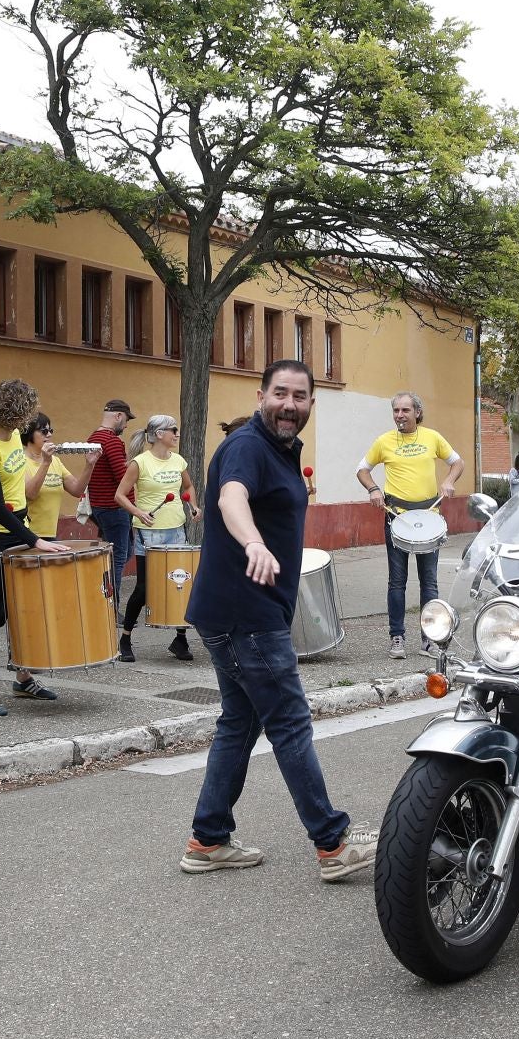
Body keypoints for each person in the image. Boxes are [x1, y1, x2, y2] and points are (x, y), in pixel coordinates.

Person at [181, 359, 379, 882]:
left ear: (312, 403)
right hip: (245, 614)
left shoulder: (280, 450)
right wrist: (253, 542)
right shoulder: (248, 446)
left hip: (235, 610)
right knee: (289, 722)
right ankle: (333, 844)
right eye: (280, 394)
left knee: (239, 723)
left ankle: (208, 840)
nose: (289, 404)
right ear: (260, 395)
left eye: (300, 396)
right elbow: (231, 497)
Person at [0, 379, 70, 715]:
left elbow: (20, 493)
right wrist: (35, 540)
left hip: (18, 526)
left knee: (23, 606)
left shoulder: (13, 437)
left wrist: (28, 532)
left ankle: (23, 678)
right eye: (28, 408)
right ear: (17, 410)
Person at [356, 391, 464, 658]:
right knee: (397, 582)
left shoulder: (432, 437)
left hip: (429, 515)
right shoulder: (384, 441)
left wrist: (449, 481)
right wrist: (373, 489)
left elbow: (457, 462)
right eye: (396, 411)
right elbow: (362, 469)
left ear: (417, 412)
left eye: (405, 410)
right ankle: (397, 638)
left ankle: (429, 638)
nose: (400, 415)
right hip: (397, 516)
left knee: (429, 582)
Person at [115, 413, 201, 663]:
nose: (177, 434)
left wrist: (193, 506)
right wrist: (138, 512)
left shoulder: (179, 461)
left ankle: (180, 639)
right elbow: (120, 495)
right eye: (173, 430)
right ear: (159, 434)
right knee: (143, 589)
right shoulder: (140, 463)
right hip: (148, 532)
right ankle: (125, 638)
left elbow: (188, 487)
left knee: (181, 584)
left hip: (176, 529)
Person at [86, 399, 136, 600]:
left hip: (99, 507)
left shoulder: (93, 438)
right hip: (115, 508)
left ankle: (104, 599)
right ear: (118, 416)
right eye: (125, 420)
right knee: (117, 558)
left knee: (115, 555)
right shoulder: (112, 441)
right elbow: (123, 477)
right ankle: (110, 606)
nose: (125, 425)